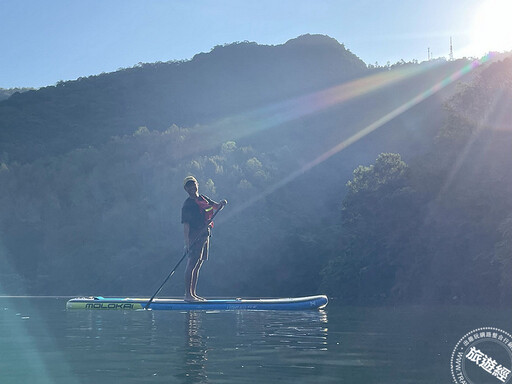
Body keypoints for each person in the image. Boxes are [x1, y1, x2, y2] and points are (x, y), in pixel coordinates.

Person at [181, 176, 227, 301]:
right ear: (186, 189)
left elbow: (216, 206)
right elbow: (186, 226)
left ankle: (193, 294)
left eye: (193, 184)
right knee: (191, 264)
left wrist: (221, 204)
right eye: (189, 186)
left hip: (205, 235)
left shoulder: (203, 198)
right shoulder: (187, 205)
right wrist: (187, 243)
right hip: (194, 236)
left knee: (198, 264)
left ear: (197, 185)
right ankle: (187, 295)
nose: (192, 187)